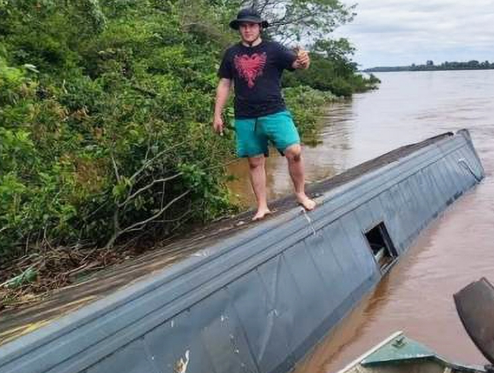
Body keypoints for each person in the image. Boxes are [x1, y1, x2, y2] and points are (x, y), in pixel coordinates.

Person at [213, 8, 316, 221]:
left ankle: (300, 193)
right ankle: (262, 206)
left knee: (294, 151)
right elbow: (224, 83)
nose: (247, 29)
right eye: (243, 26)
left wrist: (304, 60)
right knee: (254, 161)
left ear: (260, 27)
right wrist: (217, 114)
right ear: (239, 29)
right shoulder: (231, 54)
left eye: (251, 25)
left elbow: (297, 64)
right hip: (245, 116)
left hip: (275, 111)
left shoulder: (274, 49)